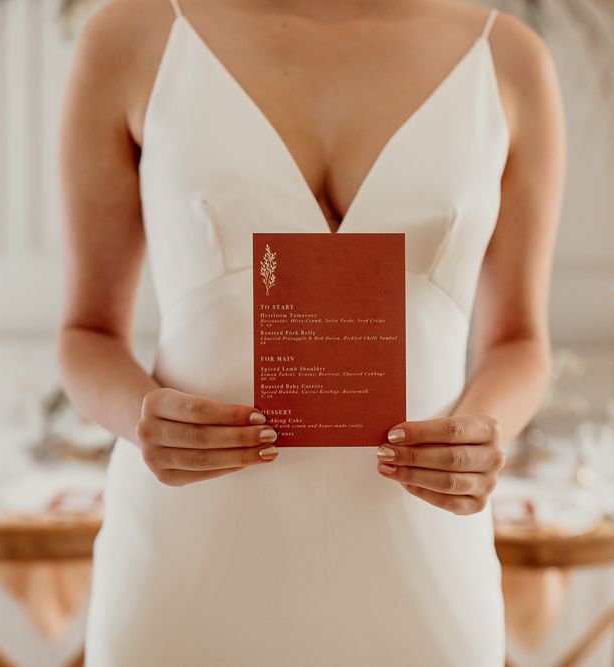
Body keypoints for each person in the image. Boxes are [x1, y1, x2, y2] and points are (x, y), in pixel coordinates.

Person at [57, 0, 565, 664]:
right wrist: (140, 414)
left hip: (419, 547)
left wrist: (481, 427)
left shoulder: (508, 59)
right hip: (188, 550)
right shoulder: (130, 38)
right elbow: (85, 333)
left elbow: (521, 341)